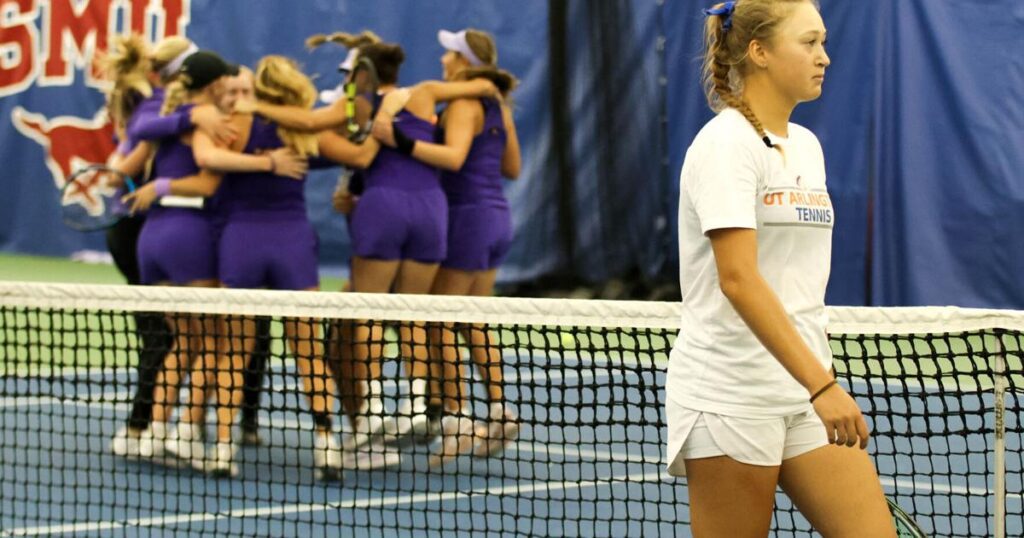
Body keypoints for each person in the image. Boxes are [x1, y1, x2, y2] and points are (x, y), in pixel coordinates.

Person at [666, 2, 895, 536]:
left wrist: (813, 384)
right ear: (759, 52)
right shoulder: (725, 146)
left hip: (804, 392)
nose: (825, 57)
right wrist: (823, 387)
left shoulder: (807, 147)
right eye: (809, 42)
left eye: (823, 42)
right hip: (730, 398)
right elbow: (739, 280)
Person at [373, 28, 522, 464]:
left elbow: (454, 158)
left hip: (468, 219)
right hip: (496, 219)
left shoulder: (461, 103)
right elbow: (512, 166)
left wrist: (398, 141)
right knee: (472, 318)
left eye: (449, 53)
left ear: (463, 60)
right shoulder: (499, 107)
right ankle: (498, 410)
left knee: (438, 321)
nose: (442, 59)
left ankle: (457, 421)